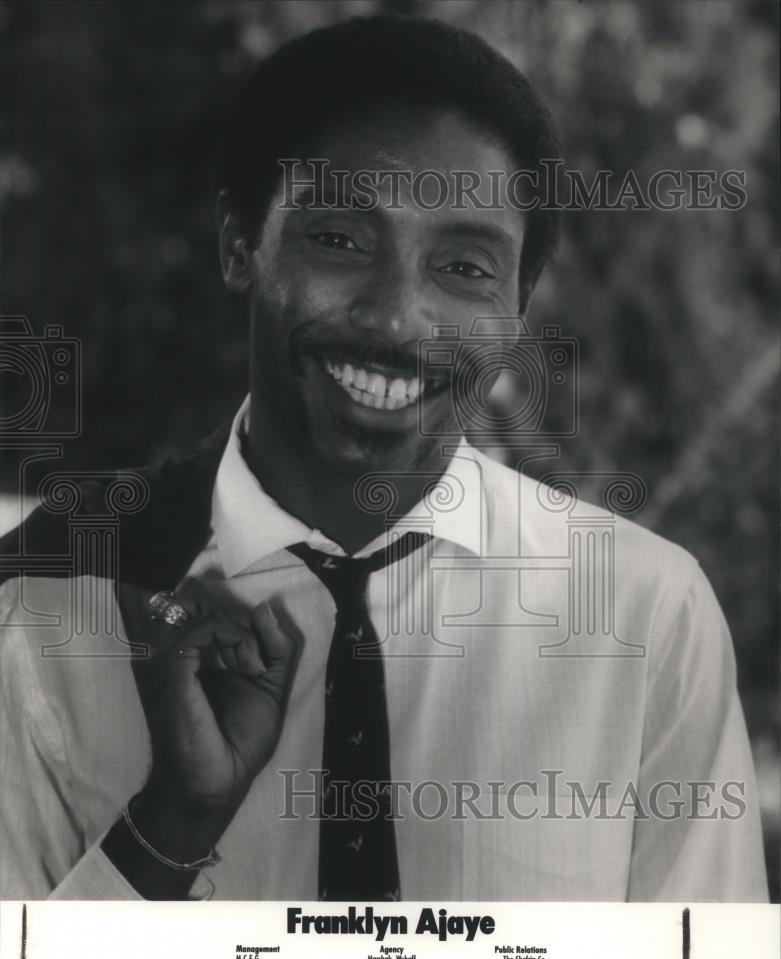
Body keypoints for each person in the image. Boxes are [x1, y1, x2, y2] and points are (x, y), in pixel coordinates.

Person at [0, 15, 768, 902]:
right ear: (238, 244)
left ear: (517, 311)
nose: (398, 319)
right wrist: (165, 832)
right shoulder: (47, 612)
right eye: (339, 240)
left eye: (466, 268)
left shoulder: (646, 615)